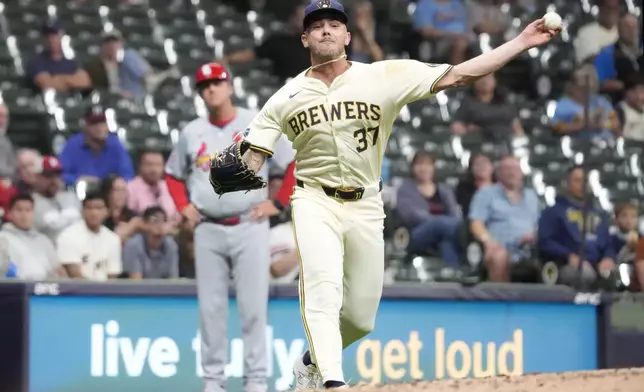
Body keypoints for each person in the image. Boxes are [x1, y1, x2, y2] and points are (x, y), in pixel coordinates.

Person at [207, 0, 560, 388]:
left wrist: (522, 41)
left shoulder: (383, 76)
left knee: (360, 319)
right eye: (317, 24)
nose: (326, 29)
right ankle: (333, 383)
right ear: (304, 36)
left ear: (348, 35)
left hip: (366, 204)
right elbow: (253, 156)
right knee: (322, 292)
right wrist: (240, 166)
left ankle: (310, 362)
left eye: (334, 24)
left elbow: (459, 75)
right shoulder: (285, 97)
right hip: (314, 201)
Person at [164, 62, 294, 392]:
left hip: (250, 224)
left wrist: (277, 203)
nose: (211, 88)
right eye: (204, 85)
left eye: (216, 82)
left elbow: (291, 163)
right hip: (207, 227)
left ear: (230, 86)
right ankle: (213, 382)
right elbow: (172, 174)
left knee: (253, 308)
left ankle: (255, 381)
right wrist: (183, 206)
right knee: (211, 310)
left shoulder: (256, 121)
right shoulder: (192, 131)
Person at [537, 166, 615, 287]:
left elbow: (608, 244)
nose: (582, 185)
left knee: (618, 273)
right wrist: (568, 256)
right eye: (577, 180)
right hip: (566, 264)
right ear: (567, 184)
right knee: (584, 274)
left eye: (585, 181)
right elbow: (545, 242)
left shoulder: (599, 214)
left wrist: (608, 258)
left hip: (597, 265)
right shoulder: (553, 212)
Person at [396, 151, 461, 266]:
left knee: (446, 242)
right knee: (440, 224)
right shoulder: (405, 189)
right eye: (420, 164)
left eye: (428, 164)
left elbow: (454, 213)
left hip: (443, 232)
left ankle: (450, 275)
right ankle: (462, 231)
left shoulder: (444, 190)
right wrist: (438, 222)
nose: (424, 168)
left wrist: (442, 225)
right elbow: (411, 215)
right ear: (413, 168)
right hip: (416, 234)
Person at [58, 105, 135, 187]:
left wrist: (110, 184)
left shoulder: (115, 144)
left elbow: (128, 175)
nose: (99, 127)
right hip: (80, 192)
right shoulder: (73, 144)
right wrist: (78, 180)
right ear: (86, 126)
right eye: (94, 123)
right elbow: (60, 175)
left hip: (108, 194)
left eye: (102, 123)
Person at [56, 189, 122, 280]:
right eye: (89, 208)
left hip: (105, 292)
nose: (93, 213)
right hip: (76, 292)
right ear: (82, 210)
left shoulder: (113, 239)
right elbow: (75, 275)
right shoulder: (67, 236)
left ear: (107, 212)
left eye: (98, 208)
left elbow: (112, 275)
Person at [0, 193, 64, 279]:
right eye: (19, 210)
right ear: (9, 213)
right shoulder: (2, 238)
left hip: (46, 288)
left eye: (28, 210)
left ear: (33, 213)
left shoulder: (43, 240)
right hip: (16, 289)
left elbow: (57, 270)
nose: (24, 215)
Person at [450, 73, 525, 141]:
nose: (485, 81)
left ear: (495, 80)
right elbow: (456, 126)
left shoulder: (504, 100)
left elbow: (516, 125)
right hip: (478, 144)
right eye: (481, 78)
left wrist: (520, 140)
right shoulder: (467, 102)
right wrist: (467, 131)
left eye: (489, 77)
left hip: (506, 142)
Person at [122, 206, 179, 279]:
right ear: (144, 224)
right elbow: (135, 283)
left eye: (163, 221)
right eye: (155, 221)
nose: (160, 226)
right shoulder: (133, 245)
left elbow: (173, 280)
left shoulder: (171, 246)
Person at [455, 152, 495, 218]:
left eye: (484, 163)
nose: (481, 167)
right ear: (471, 169)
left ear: (492, 167)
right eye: (477, 164)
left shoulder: (501, 189)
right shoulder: (463, 190)